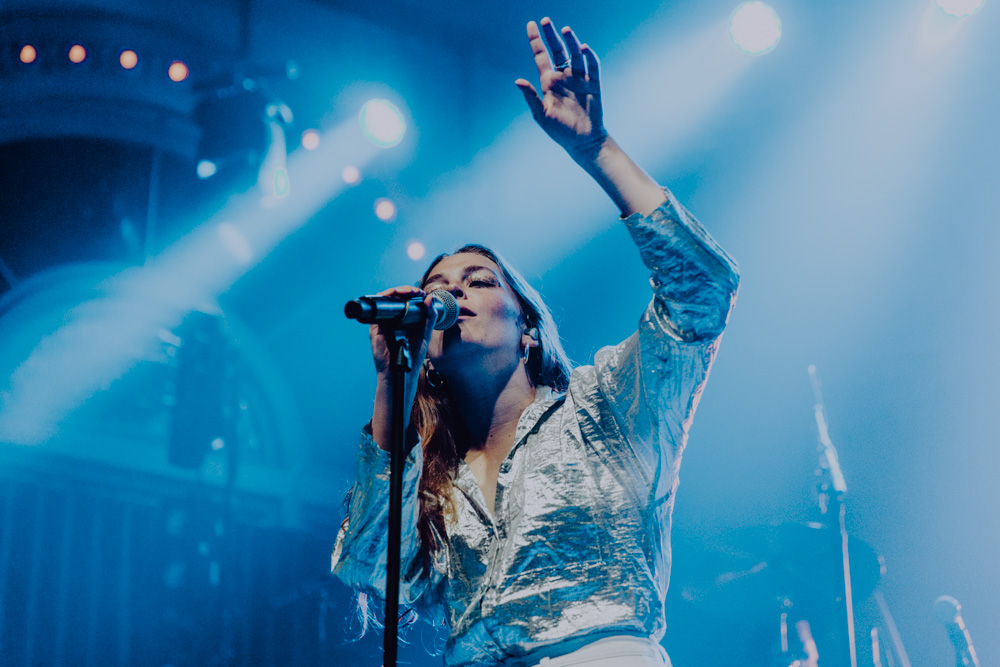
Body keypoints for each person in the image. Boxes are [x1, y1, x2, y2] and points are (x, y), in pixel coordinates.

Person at [332, 17, 740, 667]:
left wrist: (597, 149)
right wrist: (390, 379)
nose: (452, 291)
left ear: (527, 329)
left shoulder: (604, 408)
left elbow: (703, 289)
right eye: (437, 287)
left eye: (478, 280)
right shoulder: (433, 474)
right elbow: (369, 566)